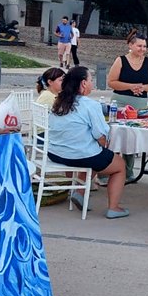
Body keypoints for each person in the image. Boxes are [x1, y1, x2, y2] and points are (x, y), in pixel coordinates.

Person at [48, 66, 129, 219]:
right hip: (78, 154)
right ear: (84, 83)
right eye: (91, 80)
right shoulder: (90, 105)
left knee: (98, 155)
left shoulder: (59, 102)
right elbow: (100, 135)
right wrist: (105, 146)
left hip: (55, 153)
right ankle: (113, 208)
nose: (92, 83)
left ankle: (79, 192)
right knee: (118, 165)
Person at [107, 28, 148, 109]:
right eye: (139, 46)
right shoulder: (120, 60)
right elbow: (111, 82)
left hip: (141, 105)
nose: (142, 49)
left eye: (144, 46)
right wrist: (131, 86)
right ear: (130, 45)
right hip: (120, 104)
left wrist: (143, 88)